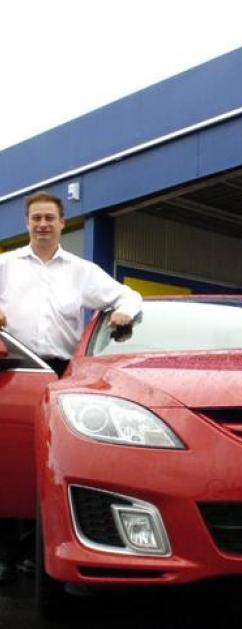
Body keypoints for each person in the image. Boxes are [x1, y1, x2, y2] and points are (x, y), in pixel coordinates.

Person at [0, 190, 143, 583]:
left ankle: (33, 552)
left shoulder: (80, 271)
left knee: (49, 462)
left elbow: (127, 294)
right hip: (12, 370)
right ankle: (4, 554)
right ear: (26, 223)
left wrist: (123, 313)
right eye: (36, 218)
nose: (43, 224)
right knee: (8, 461)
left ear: (63, 223)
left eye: (50, 218)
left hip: (62, 374)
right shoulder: (5, 266)